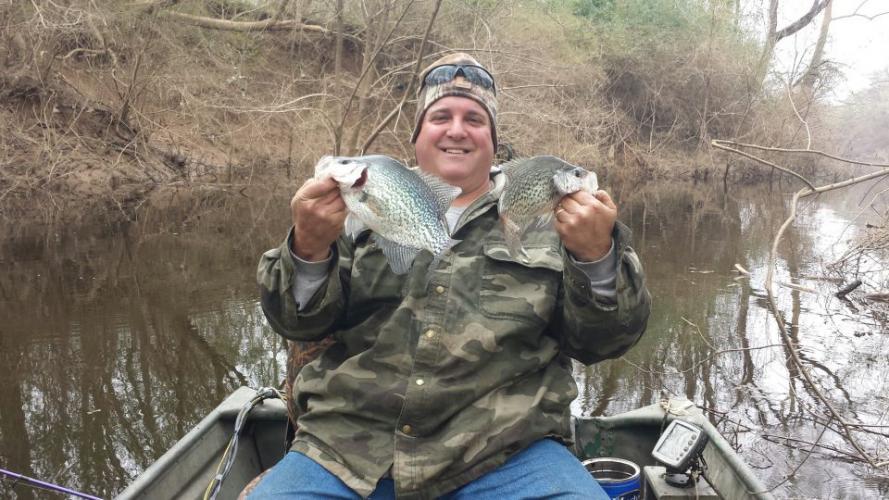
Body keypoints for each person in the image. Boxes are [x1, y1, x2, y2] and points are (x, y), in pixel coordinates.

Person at [253, 53, 651, 499]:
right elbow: (297, 323)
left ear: (493, 141)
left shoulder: (556, 221)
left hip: (509, 452)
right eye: (441, 116)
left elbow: (604, 343)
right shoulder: (351, 208)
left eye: (474, 119)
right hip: (347, 449)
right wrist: (307, 249)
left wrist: (596, 257)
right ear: (417, 135)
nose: (457, 130)